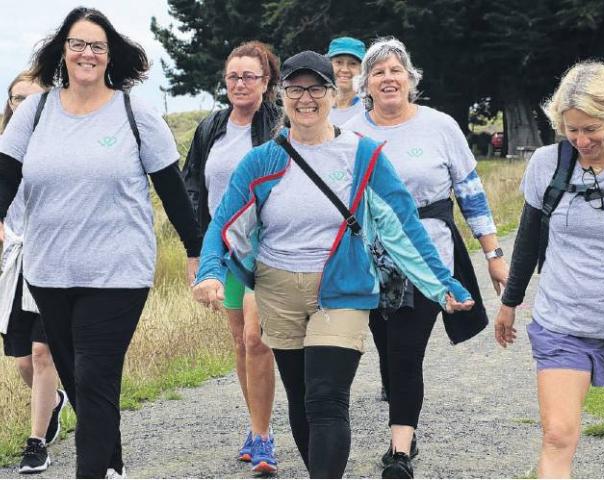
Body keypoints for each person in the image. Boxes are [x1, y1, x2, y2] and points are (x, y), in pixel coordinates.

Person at [192, 50, 474, 479]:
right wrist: (211, 272)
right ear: (282, 94)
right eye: (295, 89)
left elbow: (403, 226)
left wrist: (441, 284)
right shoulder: (261, 160)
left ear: (333, 91)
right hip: (277, 289)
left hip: (342, 287)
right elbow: (225, 224)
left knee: (327, 397)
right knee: (303, 399)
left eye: (316, 88)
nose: (306, 98)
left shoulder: (364, 156)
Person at [0, 7, 201, 478]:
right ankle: (111, 466)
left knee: (93, 376)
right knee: (79, 378)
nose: (86, 53)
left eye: (97, 46)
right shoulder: (35, 111)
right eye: (77, 44)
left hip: (118, 270)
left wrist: (195, 250)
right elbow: (5, 173)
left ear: (110, 56)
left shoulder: (135, 112)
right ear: (62, 51)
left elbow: (171, 187)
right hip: (49, 270)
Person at [344, 37, 508, 479]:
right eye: (378, 72)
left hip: (427, 255)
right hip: (371, 258)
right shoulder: (351, 131)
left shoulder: (439, 126)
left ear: (410, 78)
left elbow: (470, 193)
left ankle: (400, 448)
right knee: (385, 345)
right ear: (366, 85)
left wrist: (493, 253)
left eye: (396, 70)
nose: (388, 78)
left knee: (406, 350)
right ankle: (400, 411)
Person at [495, 61, 604, 479]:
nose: (581, 140)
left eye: (591, 129)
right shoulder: (548, 163)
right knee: (558, 436)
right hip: (563, 323)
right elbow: (528, 238)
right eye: (571, 130)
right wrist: (510, 302)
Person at [182, 40, 281, 474]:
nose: (240, 84)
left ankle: (263, 438)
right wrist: (195, 250)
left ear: (267, 81)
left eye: (250, 76)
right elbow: (191, 188)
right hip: (225, 250)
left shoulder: (279, 125)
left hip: (269, 247)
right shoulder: (211, 127)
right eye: (233, 76)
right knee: (241, 341)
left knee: (258, 339)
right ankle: (258, 425)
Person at [0, 72, 67, 474]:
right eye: (15, 98)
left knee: (44, 353)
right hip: (16, 264)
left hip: (56, 262)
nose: (21, 105)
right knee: (24, 362)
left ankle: (36, 442)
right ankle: (55, 401)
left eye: (30, 98)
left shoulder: (60, 150)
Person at [326, 36, 366, 126]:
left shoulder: (371, 109)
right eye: (339, 62)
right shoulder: (317, 106)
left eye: (352, 64)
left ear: (362, 69)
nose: (344, 70)